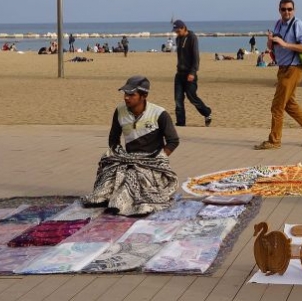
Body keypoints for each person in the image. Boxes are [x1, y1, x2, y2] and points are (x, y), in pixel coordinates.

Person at [82, 75, 179, 216]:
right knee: (109, 176)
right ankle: (104, 198)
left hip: (151, 161)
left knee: (131, 177)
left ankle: (121, 205)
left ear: (143, 96)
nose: (126, 98)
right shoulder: (120, 111)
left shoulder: (160, 114)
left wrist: (159, 158)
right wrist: (120, 156)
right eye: (125, 94)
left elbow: (173, 141)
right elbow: (113, 140)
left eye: (131, 94)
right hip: (128, 159)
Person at [254, 0, 302, 150]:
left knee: (277, 106)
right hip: (282, 68)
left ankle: (274, 140)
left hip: (293, 68)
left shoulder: (298, 25)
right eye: (284, 9)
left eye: (289, 9)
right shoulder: (278, 24)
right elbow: (273, 47)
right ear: (279, 10)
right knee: (289, 105)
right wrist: (270, 42)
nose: (287, 12)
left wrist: (285, 44)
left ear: (294, 10)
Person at [172, 20, 212, 127]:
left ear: (184, 28)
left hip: (190, 74)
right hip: (179, 74)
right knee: (178, 99)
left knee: (192, 97)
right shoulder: (177, 39)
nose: (177, 32)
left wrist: (193, 72)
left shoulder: (192, 38)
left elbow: (196, 57)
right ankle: (180, 123)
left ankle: (207, 112)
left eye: (178, 30)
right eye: (175, 30)